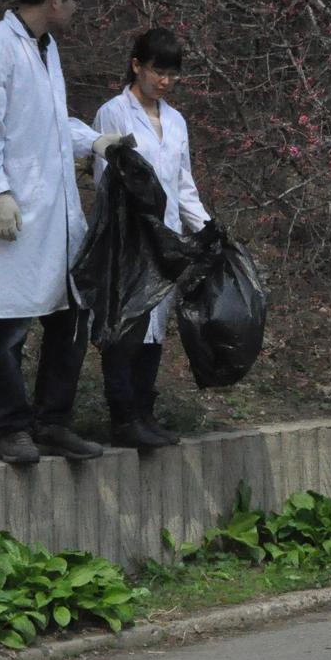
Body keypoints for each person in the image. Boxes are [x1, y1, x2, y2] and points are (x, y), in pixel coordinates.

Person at [0, 0, 130, 465]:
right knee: (10, 322)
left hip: (54, 211)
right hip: (14, 210)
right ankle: (12, 427)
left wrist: (94, 141)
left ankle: (52, 421)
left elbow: (50, 122)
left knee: (71, 315)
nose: (75, 8)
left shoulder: (45, 48)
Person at [92, 28, 212, 450]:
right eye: (157, 71)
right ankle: (123, 416)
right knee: (127, 326)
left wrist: (206, 228)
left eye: (172, 74)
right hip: (128, 238)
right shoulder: (114, 113)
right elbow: (108, 180)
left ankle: (144, 411)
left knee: (155, 328)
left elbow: (183, 185)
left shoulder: (176, 121)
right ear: (136, 66)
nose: (164, 81)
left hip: (166, 242)